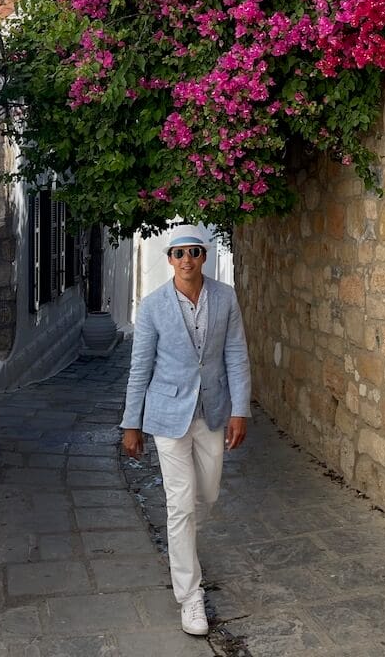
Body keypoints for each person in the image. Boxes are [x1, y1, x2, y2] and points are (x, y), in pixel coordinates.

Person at [120, 224, 251, 636]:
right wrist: (131, 423)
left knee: (206, 493)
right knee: (179, 504)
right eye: (179, 254)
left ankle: (185, 538)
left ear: (204, 256)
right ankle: (190, 597)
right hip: (166, 414)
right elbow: (140, 367)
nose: (187, 260)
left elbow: (236, 354)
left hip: (211, 410)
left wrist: (240, 410)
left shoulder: (225, 297)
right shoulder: (155, 306)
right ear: (170, 259)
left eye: (194, 252)